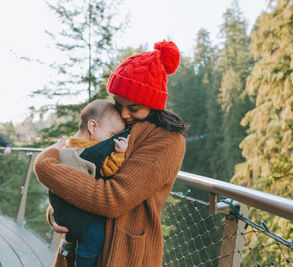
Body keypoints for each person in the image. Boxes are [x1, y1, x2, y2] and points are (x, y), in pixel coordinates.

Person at [34, 40, 187, 267]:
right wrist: (59, 211)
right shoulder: (118, 125)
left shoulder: (166, 140)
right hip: (81, 244)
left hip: (124, 254)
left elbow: (113, 199)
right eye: (118, 103)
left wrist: (46, 167)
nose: (124, 114)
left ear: (153, 104)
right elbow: (83, 171)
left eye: (133, 108)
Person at [49, 99, 129, 266]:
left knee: (71, 236)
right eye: (112, 136)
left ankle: (68, 246)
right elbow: (109, 169)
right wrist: (120, 154)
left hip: (62, 211)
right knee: (94, 237)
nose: (112, 141)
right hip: (83, 215)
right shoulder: (91, 152)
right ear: (93, 127)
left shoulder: (66, 147)